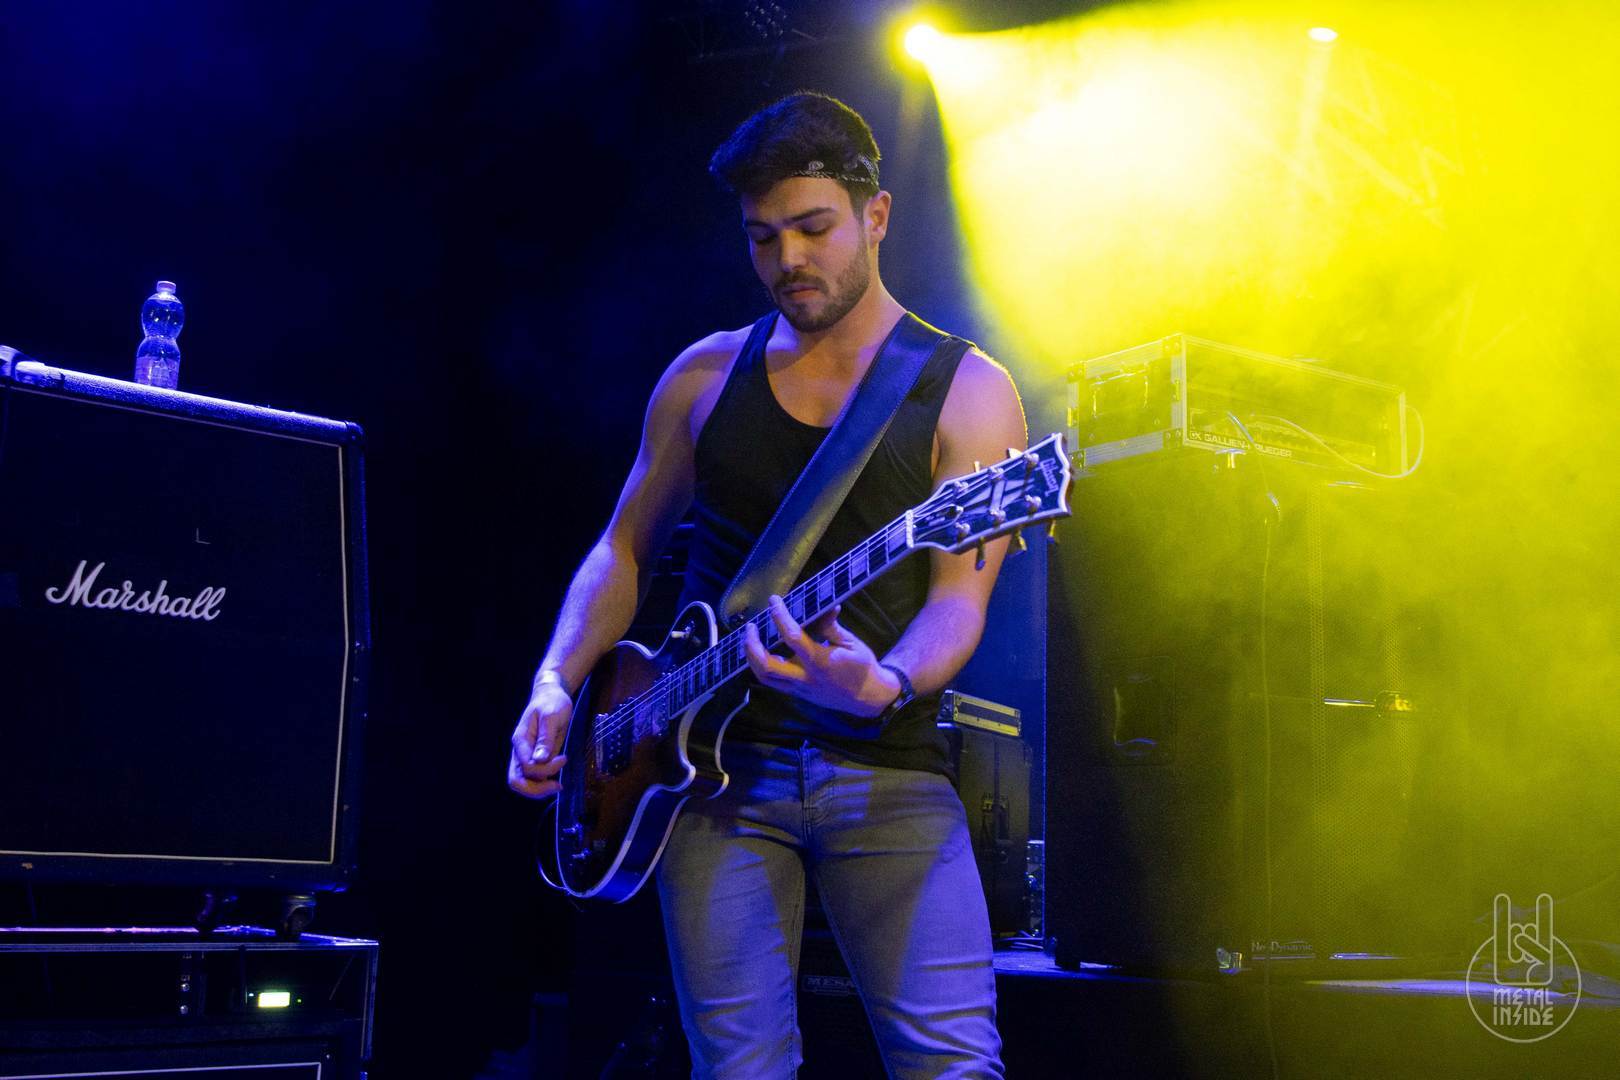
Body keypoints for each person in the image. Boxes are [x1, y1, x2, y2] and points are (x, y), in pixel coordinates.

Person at [508, 92, 1024, 1079]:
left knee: (953, 1067)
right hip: (711, 785)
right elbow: (622, 548)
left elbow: (958, 604)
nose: (789, 258)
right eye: (762, 237)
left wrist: (884, 682)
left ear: (875, 216)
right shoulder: (703, 377)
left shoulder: (967, 390)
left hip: (890, 772)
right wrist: (554, 683)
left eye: (814, 227)